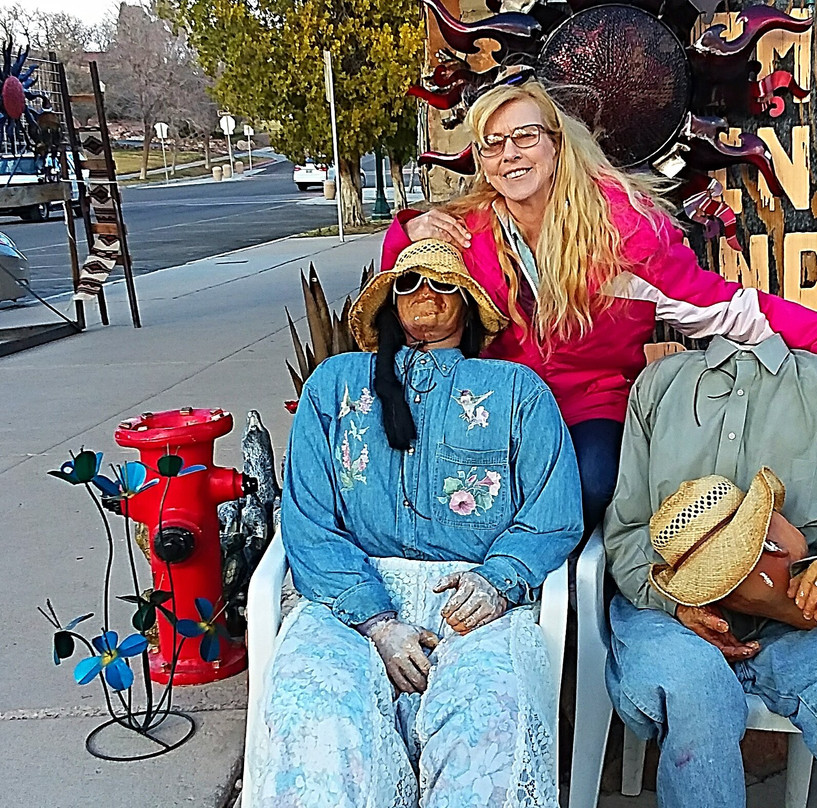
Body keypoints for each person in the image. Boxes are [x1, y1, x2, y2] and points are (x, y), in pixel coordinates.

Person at [383, 80, 817, 531]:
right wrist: (408, 232)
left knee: (590, 488)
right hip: (496, 403)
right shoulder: (468, 233)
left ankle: (555, 596)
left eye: (525, 137)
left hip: (587, 400)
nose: (510, 154)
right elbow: (400, 295)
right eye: (493, 143)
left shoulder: (621, 231)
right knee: (458, 492)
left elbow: (720, 306)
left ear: (557, 144)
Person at [250, 240, 583, 808]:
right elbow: (307, 517)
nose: (425, 293)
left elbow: (554, 510)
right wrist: (377, 622)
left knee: (487, 716)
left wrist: (499, 580)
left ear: (468, 304)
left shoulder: (515, 391)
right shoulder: (333, 385)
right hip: (346, 595)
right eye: (408, 283)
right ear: (390, 305)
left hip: (474, 594)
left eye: (443, 284)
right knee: (318, 709)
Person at [603, 334, 817, 807]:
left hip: (798, 622)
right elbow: (627, 529)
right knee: (694, 693)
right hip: (676, 619)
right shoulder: (661, 387)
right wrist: (674, 601)